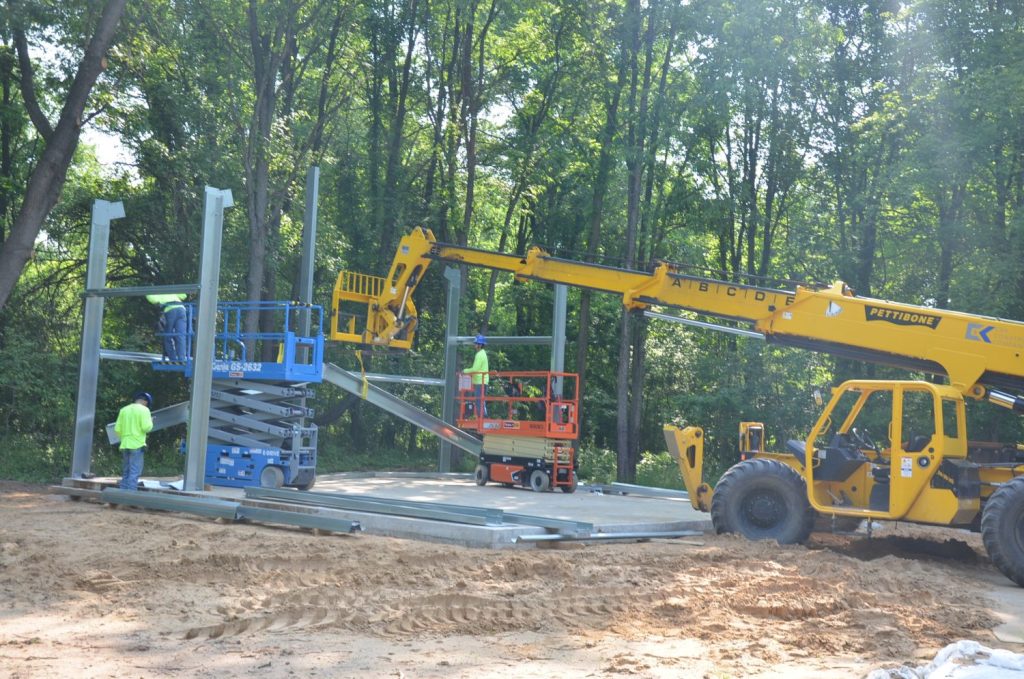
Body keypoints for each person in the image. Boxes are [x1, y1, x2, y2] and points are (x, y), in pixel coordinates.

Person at [115, 391, 154, 490]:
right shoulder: (144, 410)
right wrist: (151, 421)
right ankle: (130, 498)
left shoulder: (124, 410)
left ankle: (121, 496)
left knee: (126, 472)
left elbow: (117, 429)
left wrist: (125, 437)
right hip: (137, 445)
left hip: (125, 444)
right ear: (145, 402)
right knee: (134, 472)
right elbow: (146, 428)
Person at [146, 293, 188, 361]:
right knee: (181, 336)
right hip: (181, 309)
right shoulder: (171, 292)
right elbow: (184, 295)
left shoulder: (158, 294)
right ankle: (181, 358)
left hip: (170, 310)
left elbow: (151, 298)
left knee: (167, 337)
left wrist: (147, 292)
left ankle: (172, 358)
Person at [465, 334, 489, 418]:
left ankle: (483, 419)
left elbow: (475, 369)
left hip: (480, 382)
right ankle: (483, 418)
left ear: (480, 345)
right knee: (481, 401)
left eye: (476, 343)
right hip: (482, 381)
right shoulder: (482, 353)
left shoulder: (479, 355)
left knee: (479, 401)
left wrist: (465, 371)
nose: (475, 345)